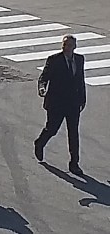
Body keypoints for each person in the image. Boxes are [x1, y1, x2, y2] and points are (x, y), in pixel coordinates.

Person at [34, 35, 86, 176]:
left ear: (74, 47)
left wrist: (83, 99)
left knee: (73, 133)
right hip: (56, 102)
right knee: (52, 129)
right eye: (65, 45)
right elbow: (44, 77)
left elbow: (81, 80)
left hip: (73, 103)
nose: (67, 47)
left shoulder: (80, 60)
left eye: (70, 45)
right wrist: (42, 88)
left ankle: (74, 163)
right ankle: (40, 143)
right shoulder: (54, 60)